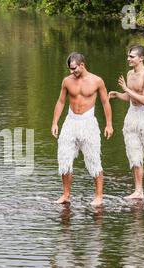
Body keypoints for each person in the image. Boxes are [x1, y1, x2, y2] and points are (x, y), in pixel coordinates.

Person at [51, 52, 113, 206]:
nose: (73, 72)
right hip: (70, 122)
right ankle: (66, 194)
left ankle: (99, 196)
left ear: (82, 65)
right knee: (64, 158)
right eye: (70, 69)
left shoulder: (97, 81)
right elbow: (60, 101)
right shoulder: (67, 81)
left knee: (93, 160)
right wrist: (54, 123)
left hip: (88, 123)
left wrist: (109, 124)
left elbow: (105, 102)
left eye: (74, 69)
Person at [108, 45, 144, 201]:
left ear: (141, 58)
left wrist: (126, 89)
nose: (128, 59)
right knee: (134, 154)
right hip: (132, 116)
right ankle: (138, 191)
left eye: (132, 56)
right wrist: (118, 94)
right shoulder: (129, 74)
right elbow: (131, 97)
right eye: (128, 56)